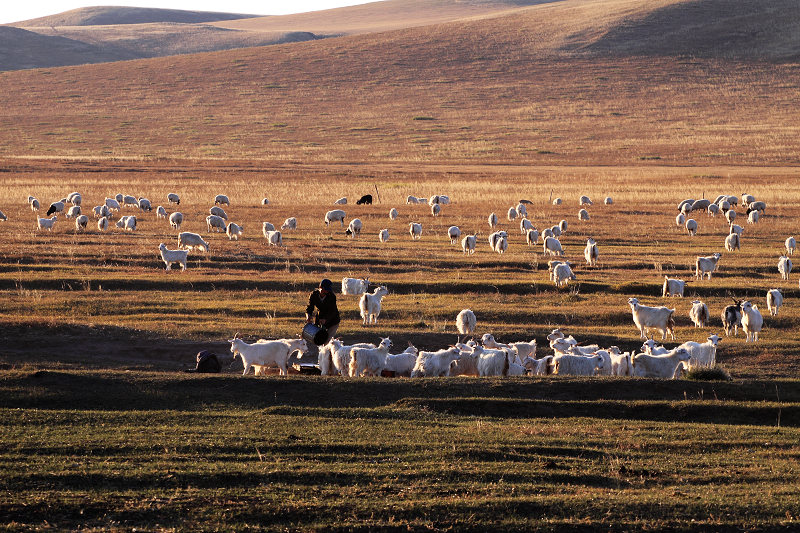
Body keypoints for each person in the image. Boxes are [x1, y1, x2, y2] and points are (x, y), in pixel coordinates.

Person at [304, 278, 340, 359]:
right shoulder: (314, 295)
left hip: (333, 320)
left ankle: (327, 359)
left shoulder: (332, 296)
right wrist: (308, 316)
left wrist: (326, 319)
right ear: (320, 287)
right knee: (319, 339)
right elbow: (310, 308)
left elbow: (332, 311)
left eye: (328, 290)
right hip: (320, 319)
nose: (326, 292)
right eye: (325, 290)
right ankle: (323, 358)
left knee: (326, 341)